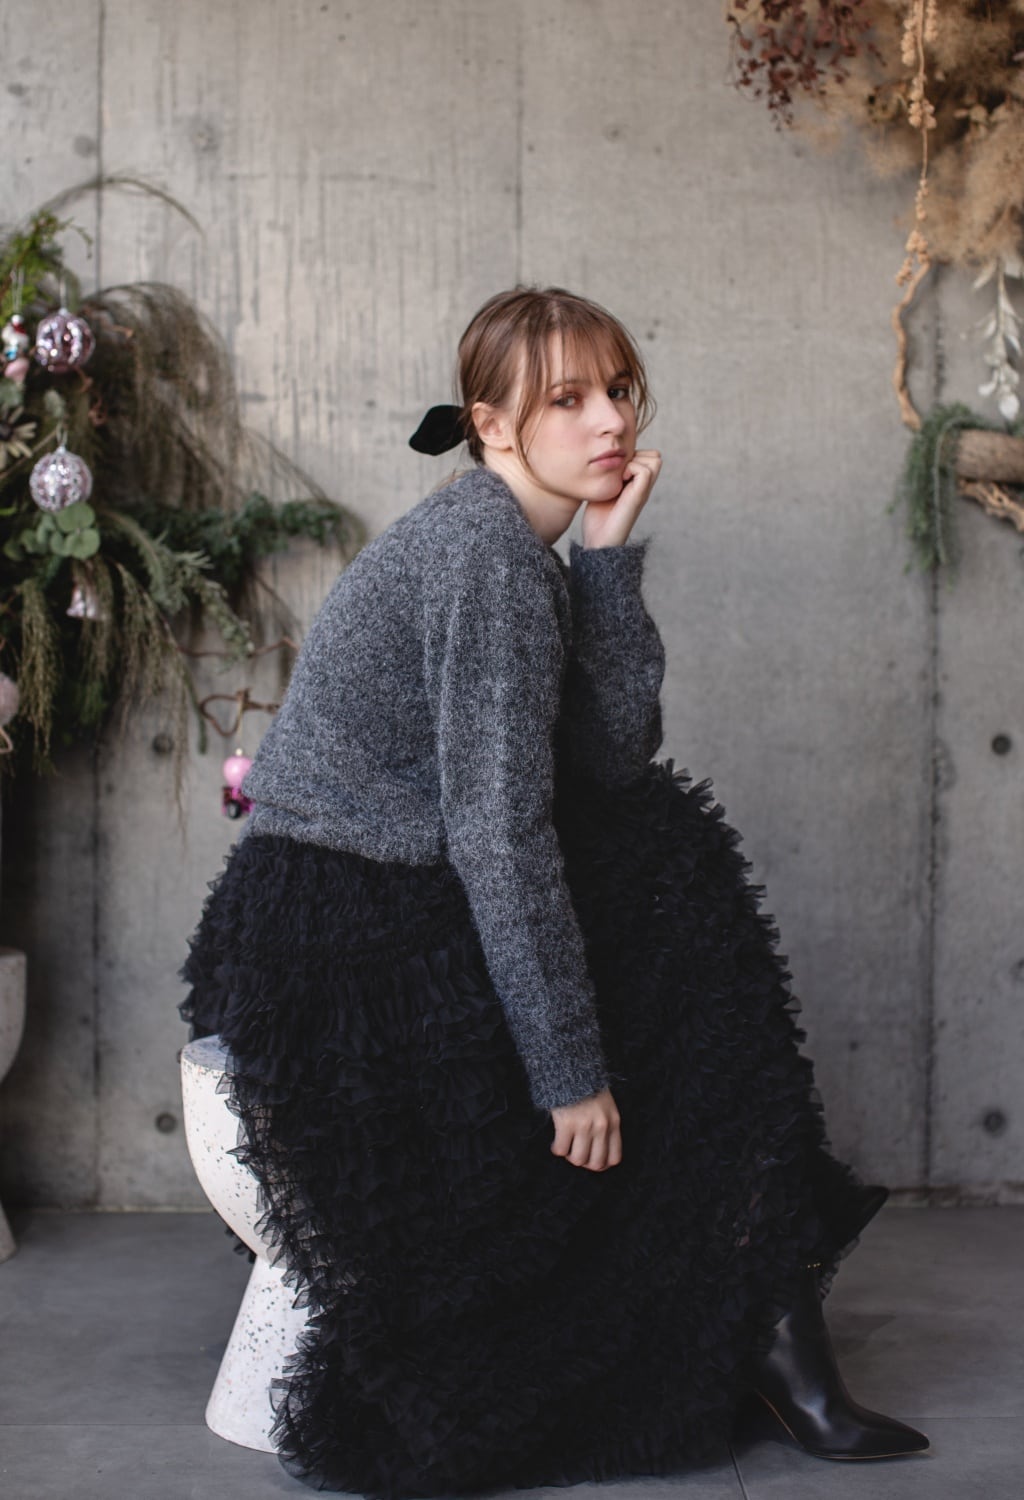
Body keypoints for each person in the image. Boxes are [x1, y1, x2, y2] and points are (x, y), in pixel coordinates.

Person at [180, 286, 928, 1497]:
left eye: (618, 390)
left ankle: (771, 1311)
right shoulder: (482, 558)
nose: (610, 422)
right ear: (489, 424)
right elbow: (497, 831)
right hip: (339, 927)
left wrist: (607, 564)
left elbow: (607, 760)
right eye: (568, 399)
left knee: (658, 842)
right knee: (668, 873)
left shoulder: (515, 546)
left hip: (373, 886)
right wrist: (567, 1069)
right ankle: (771, 1319)